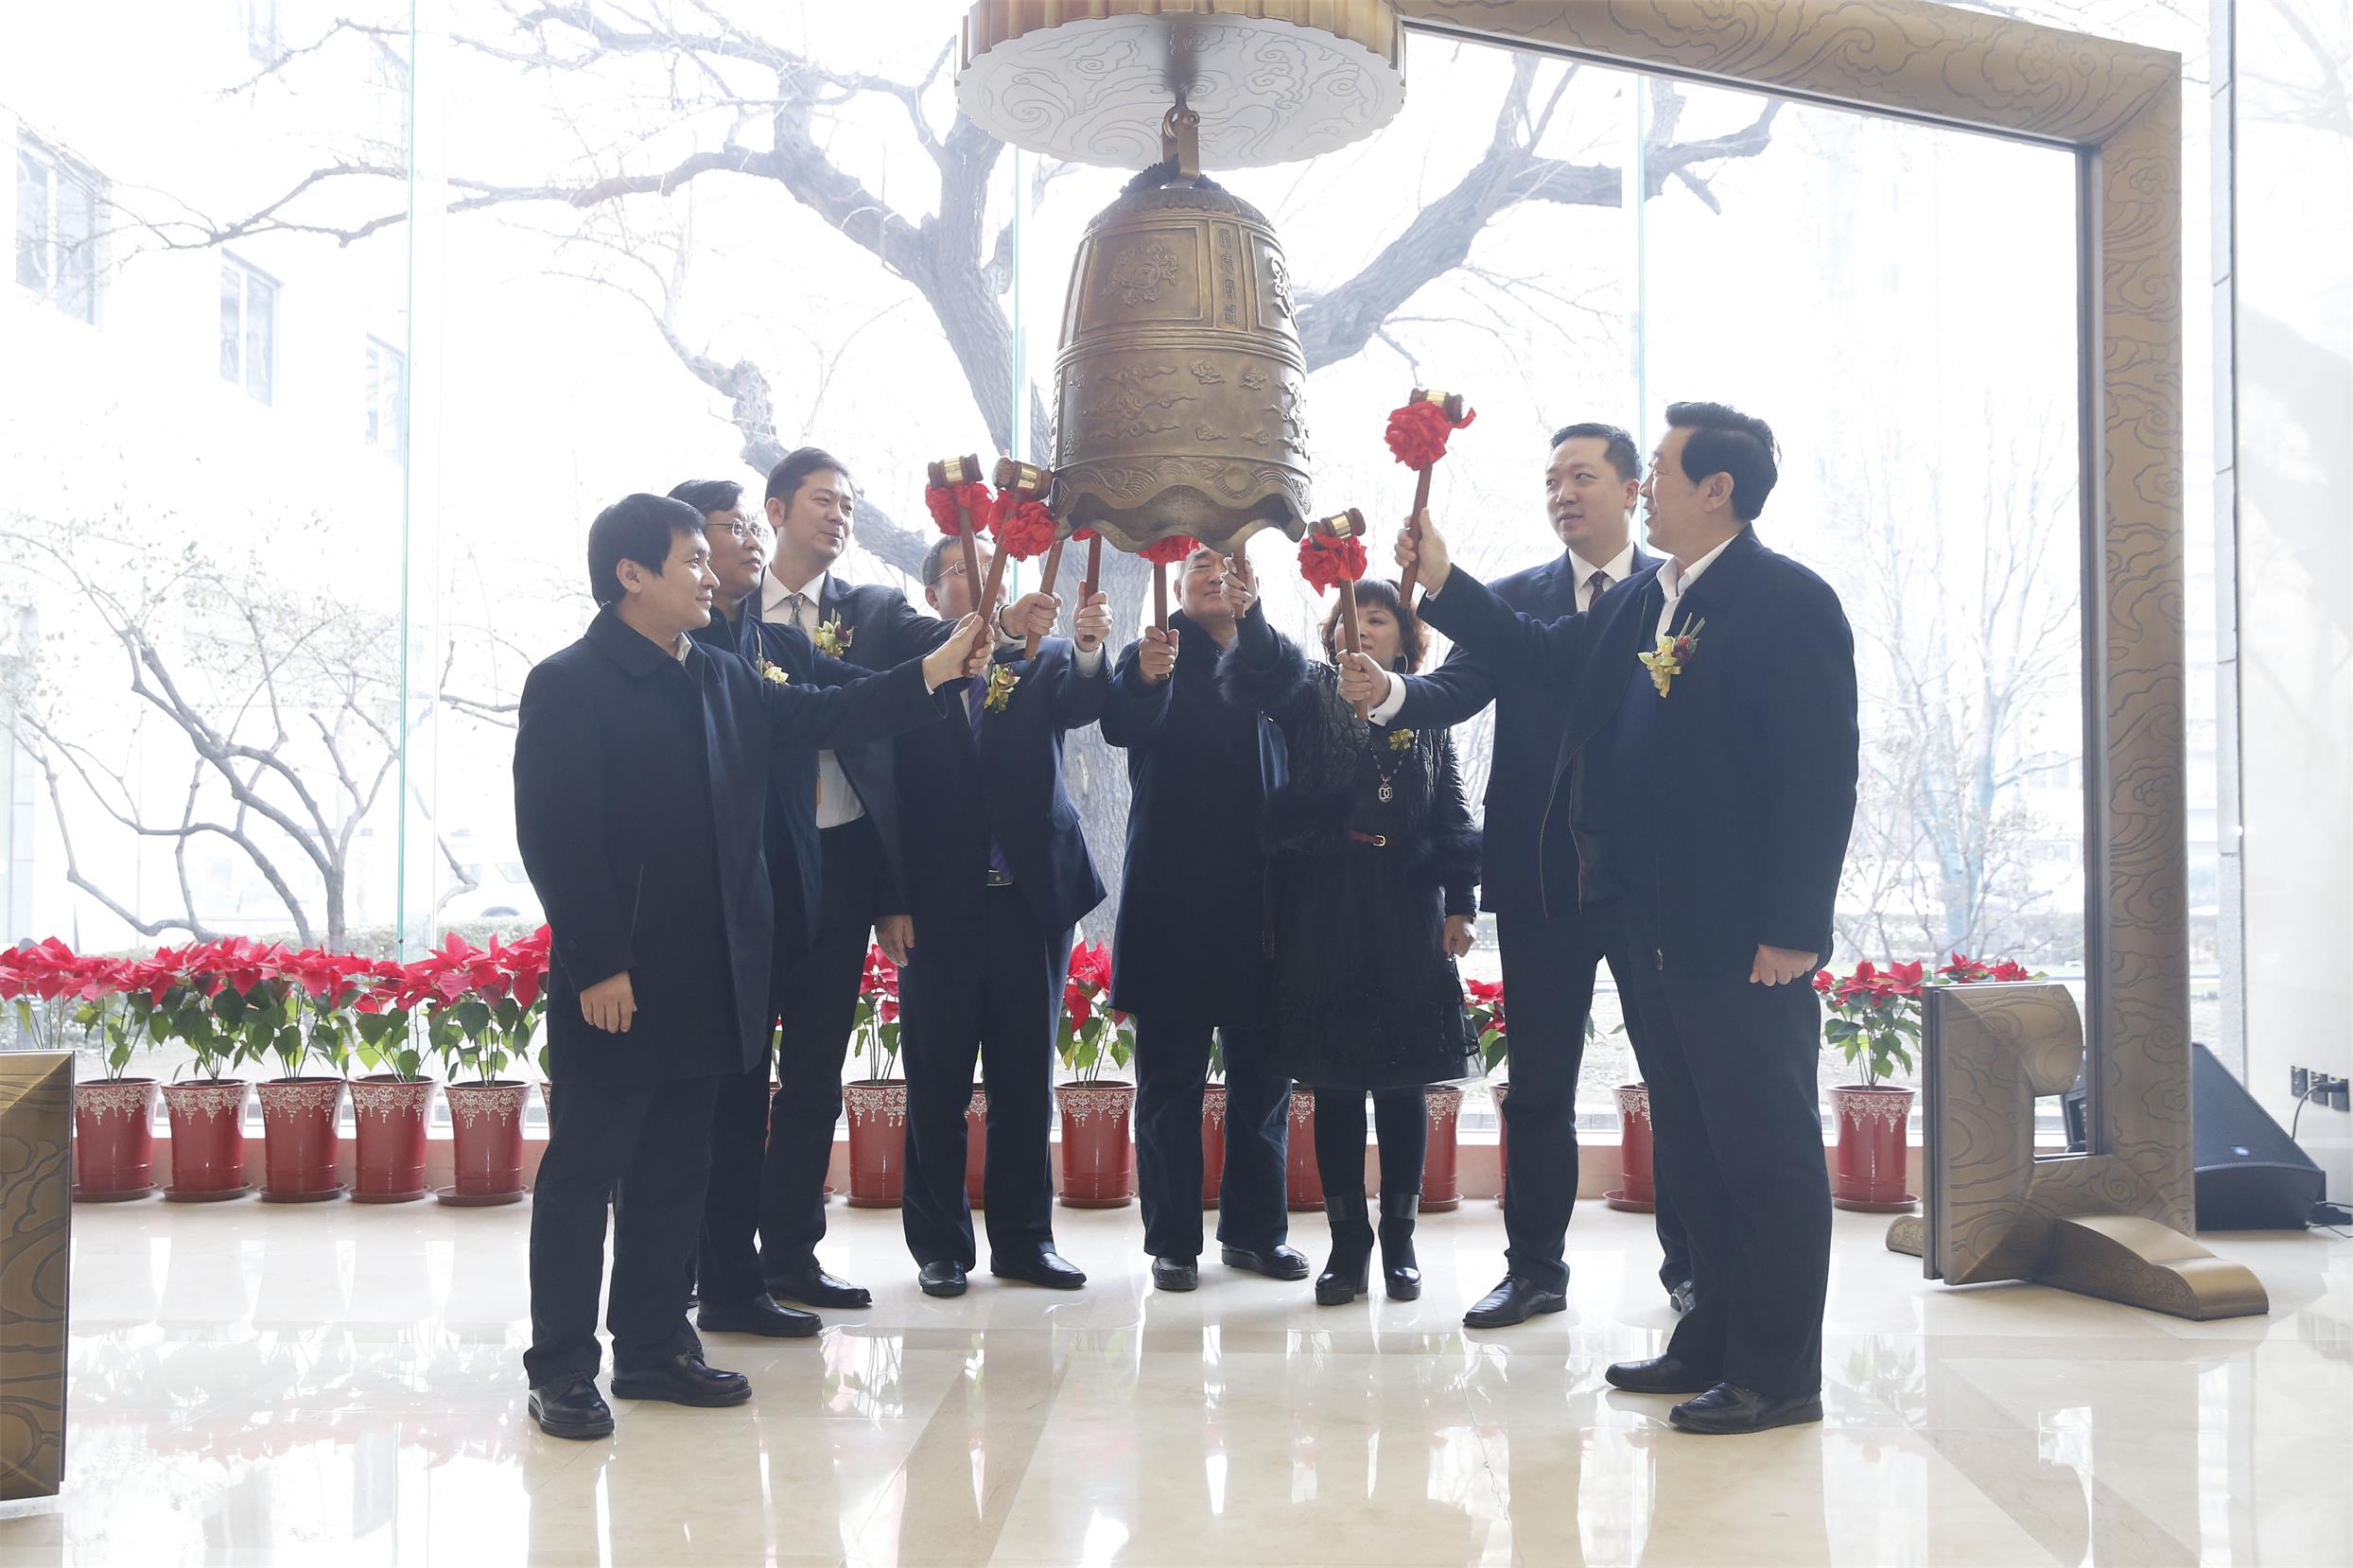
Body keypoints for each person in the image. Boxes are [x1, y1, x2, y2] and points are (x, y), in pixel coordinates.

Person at [1394, 401, 1858, 1436]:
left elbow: (1820, 777)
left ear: (1717, 490)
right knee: (1697, 1145)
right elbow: (1541, 654)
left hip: (1746, 940)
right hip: (1658, 925)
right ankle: (1710, 1341)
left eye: (1660, 470)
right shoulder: (1654, 597)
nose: (1646, 488)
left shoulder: (1787, 601)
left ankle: (1779, 1373)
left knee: (1765, 1154)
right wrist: (1444, 582)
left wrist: (1793, 927)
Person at [513, 493, 985, 1440]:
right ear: (630, 575)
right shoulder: (569, 682)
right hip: (618, 982)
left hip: (714, 969)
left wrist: (934, 670)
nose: (712, 572)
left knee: (675, 1167)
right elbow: (556, 837)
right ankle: (560, 1366)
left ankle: (653, 1346)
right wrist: (598, 963)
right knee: (586, 1172)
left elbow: (829, 708)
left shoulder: (722, 674)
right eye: (691, 558)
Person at [1340, 423, 1693, 1326]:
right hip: (1542, 877)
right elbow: (1452, 693)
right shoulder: (1511, 599)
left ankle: (1691, 1271)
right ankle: (1534, 1269)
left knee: (1674, 1081)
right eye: (1551, 481)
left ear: (1632, 491)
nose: (1563, 494)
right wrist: (1388, 693)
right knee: (1537, 1088)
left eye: (1583, 476)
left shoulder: (1676, 592)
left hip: (1651, 882)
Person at [752, 447, 1057, 1311]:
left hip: (845, 866)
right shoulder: (729, 613)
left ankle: (792, 1259)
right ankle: (719, 1256)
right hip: (753, 867)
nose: (838, 515)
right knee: (735, 1078)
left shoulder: (876, 610)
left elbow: (948, 645)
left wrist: (1003, 624)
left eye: (848, 504)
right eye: (822, 499)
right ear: (776, 511)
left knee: (815, 1076)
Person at [1219, 563, 1479, 1304]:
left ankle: (1399, 1240)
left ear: (1405, 642)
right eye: (1345, 622)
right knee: (1332, 1082)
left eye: (1377, 620)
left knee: (1402, 1083)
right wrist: (1251, 612)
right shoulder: (1312, 694)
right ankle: (1347, 1244)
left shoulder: (1426, 709)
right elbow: (1264, 663)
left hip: (1407, 904)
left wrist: (1460, 904)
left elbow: (1452, 813)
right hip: (1323, 901)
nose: (1357, 630)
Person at [895, 534, 1116, 1296]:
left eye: (991, 565)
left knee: (1025, 1079)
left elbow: (1085, 701)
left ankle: (1026, 1242)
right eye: (962, 569)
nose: (981, 577)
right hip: (938, 907)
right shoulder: (910, 673)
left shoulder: (1040, 658)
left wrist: (1087, 646)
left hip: (1030, 899)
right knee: (937, 1082)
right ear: (932, 595)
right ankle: (940, 1247)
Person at [669, 478, 863, 1339]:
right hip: (712, 914)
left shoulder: (771, 644)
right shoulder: (677, 657)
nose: (749, 539)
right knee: (718, 1102)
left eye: (753, 525)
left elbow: (851, 698)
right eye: (731, 527)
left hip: (798, 898)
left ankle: (767, 1267)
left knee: (787, 1093)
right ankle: (693, 1276)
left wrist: (958, 660)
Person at [1101, 543, 1304, 1292]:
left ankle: (1256, 1234)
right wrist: (1146, 678)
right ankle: (1173, 1242)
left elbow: (1296, 709)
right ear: (1177, 586)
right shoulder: (1153, 652)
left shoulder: (1272, 656)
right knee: (1170, 1084)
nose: (1214, 575)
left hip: (1264, 900)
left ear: (1252, 582)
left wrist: (1255, 625)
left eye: (1228, 565)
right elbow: (1121, 722)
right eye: (1198, 568)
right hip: (1172, 896)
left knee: (1263, 1081)